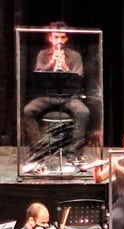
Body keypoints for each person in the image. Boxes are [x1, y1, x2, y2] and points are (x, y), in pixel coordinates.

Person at [22, 21, 90, 164]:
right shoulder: (42, 54)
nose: (60, 41)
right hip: (47, 95)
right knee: (28, 110)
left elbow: (79, 78)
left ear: (67, 38)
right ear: (50, 38)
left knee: (83, 112)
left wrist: (65, 66)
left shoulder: (75, 56)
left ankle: (73, 152)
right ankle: (38, 150)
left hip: (68, 97)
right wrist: (51, 63)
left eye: (63, 37)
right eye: (56, 37)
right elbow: (38, 75)